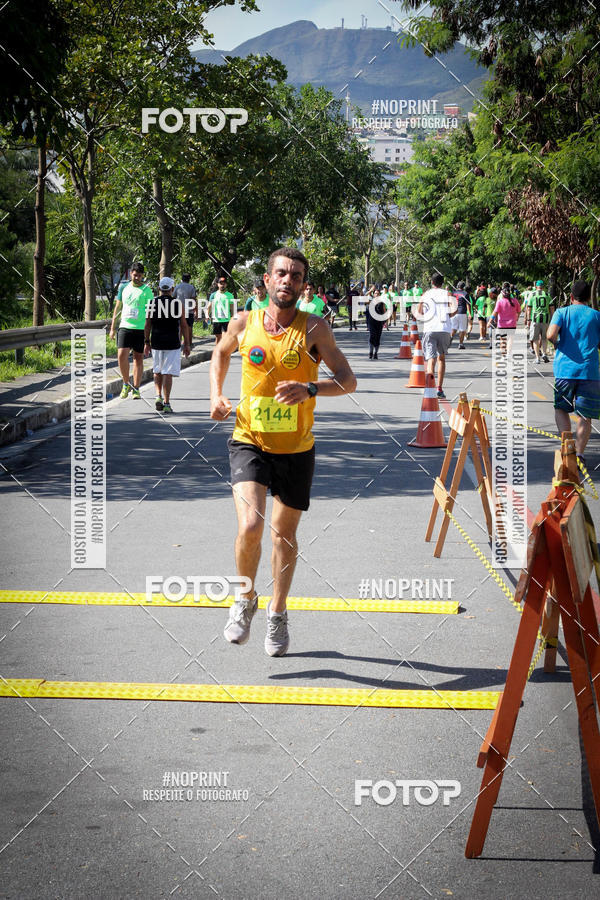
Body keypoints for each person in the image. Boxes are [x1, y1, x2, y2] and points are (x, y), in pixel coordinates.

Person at [209, 247, 357, 657]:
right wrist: (216, 395)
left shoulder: (315, 329)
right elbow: (219, 354)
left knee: (283, 536)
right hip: (249, 440)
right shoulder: (244, 322)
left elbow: (348, 380)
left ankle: (277, 611)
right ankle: (244, 599)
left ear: (303, 285)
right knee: (250, 527)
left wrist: (310, 388)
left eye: (295, 275)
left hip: (297, 447)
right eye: (281, 273)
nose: (287, 280)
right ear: (268, 280)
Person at [547, 280, 600, 467]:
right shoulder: (596, 316)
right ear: (588, 298)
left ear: (571, 296)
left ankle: (566, 447)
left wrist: (558, 344)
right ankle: (579, 454)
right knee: (585, 414)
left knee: (561, 408)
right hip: (590, 372)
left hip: (565, 371)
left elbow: (550, 335)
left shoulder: (562, 312)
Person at [144, 277, 191, 412]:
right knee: (168, 373)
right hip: (172, 342)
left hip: (156, 341)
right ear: (172, 289)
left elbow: (147, 324)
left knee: (157, 370)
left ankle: (158, 395)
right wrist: (187, 344)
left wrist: (146, 342)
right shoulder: (177, 304)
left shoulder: (152, 303)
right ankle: (167, 403)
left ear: (159, 289)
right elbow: (184, 325)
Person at [109, 262, 154, 400]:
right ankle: (125, 383)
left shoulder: (147, 291)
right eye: (135, 275)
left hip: (140, 329)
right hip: (124, 326)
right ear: (130, 274)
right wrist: (112, 328)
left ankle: (136, 388)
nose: (137, 278)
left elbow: (150, 314)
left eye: (139, 276)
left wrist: (148, 336)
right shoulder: (123, 287)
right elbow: (117, 308)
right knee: (121, 355)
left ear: (142, 276)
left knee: (138, 358)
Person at [417, 273, 457, 399]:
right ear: (442, 283)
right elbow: (454, 310)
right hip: (444, 329)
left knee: (431, 359)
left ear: (431, 282)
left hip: (430, 329)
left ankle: (429, 388)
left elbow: (419, 312)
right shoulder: (448, 294)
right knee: (441, 359)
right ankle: (439, 388)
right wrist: (447, 316)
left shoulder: (425, 294)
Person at [527, 279, 553, 364]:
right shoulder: (547, 295)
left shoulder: (532, 295)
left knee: (535, 339)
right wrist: (552, 318)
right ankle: (544, 353)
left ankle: (537, 358)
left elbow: (529, 308)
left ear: (536, 286)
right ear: (543, 287)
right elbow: (551, 308)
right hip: (545, 319)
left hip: (535, 319)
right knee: (544, 338)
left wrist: (528, 319)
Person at [491, 282, 521, 355]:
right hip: (512, 323)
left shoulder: (500, 300)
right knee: (510, 339)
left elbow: (495, 311)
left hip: (502, 323)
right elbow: (519, 311)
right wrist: (517, 317)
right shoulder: (514, 300)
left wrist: (492, 320)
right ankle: (508, 354)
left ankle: (503, 354)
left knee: (503, 340)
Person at [208, 275, 235, 344]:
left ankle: (224, 353)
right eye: (221, 283)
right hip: (216, 320)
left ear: (226, 284)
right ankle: (217, 352)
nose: (222, 285)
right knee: (218, 337)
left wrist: (233, 317)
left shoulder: (230, 295)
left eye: (224, 283)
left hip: (226, 319)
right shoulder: (213, 295)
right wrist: (207, 315)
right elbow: (209, 306)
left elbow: (232, 307)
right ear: (217, 284)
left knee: (225, 337)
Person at [175, 273, 197, 345]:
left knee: (180, 327)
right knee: (189, 327)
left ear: (182, 279)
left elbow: (173, 297)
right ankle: (189, 343)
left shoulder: (177, 286)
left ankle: (178, 342)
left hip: (179, 311)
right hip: (189, 311)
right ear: (189, 279)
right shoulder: (191, 287)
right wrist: (195, 310)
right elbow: (193, 299)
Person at [366, 289, 386, 359]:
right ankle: (370, 352)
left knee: (377, 338)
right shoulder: (371, 301)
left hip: (379, 322)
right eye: (375, 293)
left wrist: (385, 321)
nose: (376, 295)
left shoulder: (382, 302)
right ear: (373, 295)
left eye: (378, 294)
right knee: (372, 336)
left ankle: (376, 353)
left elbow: (384, 311)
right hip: (371, 322)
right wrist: (370, 290)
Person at [452, 280, 470, 349]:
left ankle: (449, 339)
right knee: (462, 329)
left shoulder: (454, 293)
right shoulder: (465, 294)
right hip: (462, 312)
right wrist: (470, 313)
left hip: (454, 312)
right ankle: (461, 344)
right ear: (463, 287)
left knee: (453, 328)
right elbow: (468, 304)